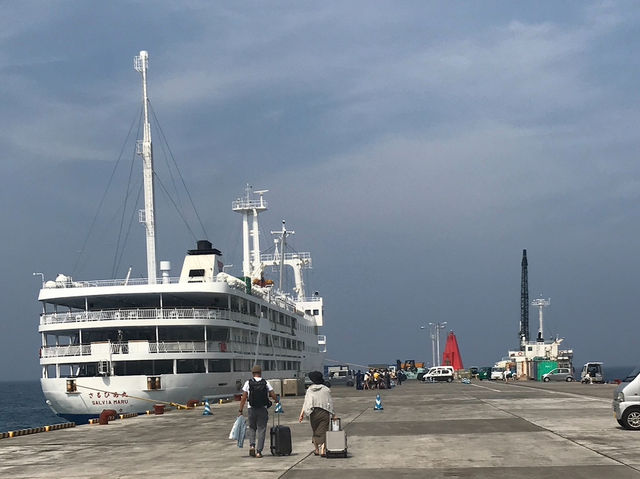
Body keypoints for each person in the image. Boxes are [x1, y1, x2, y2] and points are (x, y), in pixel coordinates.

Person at [238, 365, 279, 458]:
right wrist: (277, 400)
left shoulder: (248, 383)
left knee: (252, 428)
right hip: (262, 408)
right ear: (260, 372)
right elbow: (272, 393)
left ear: (252, 373)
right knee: (262, 429)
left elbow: (244, 397)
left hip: (251, 408)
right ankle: (258, 452)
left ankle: (252, 445)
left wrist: (240, 410)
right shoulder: (265, 382)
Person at [298, 370, 335, 456]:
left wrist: (301, 414)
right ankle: (323, 449)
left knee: (315, 431)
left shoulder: (310, 390)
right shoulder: (326, 389)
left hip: (313, 413)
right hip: (324, 412)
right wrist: (333, 414)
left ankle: (316, 450)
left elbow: (306, 403)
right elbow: (329, 402)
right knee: (324, 430)